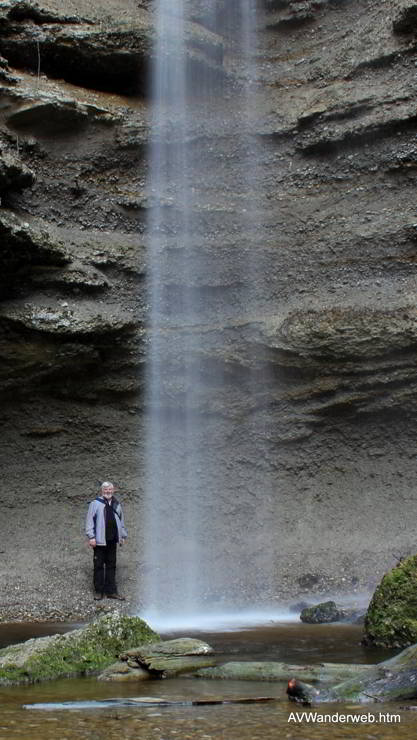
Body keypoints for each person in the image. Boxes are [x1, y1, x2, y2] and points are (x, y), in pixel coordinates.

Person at [86, 481, 127, 600]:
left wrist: (122, 536)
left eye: (110, 490)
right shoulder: (95, 504)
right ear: (102, 491)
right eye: (105, 490)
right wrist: (91, 537)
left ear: (113, 490)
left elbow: (121, 521)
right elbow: (89, 521)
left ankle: (111, 591)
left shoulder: (116, 504)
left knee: (111, 565)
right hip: (99, 541)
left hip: (112, 540)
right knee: (98, 565)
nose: (108, 492)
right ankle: (99, 591)